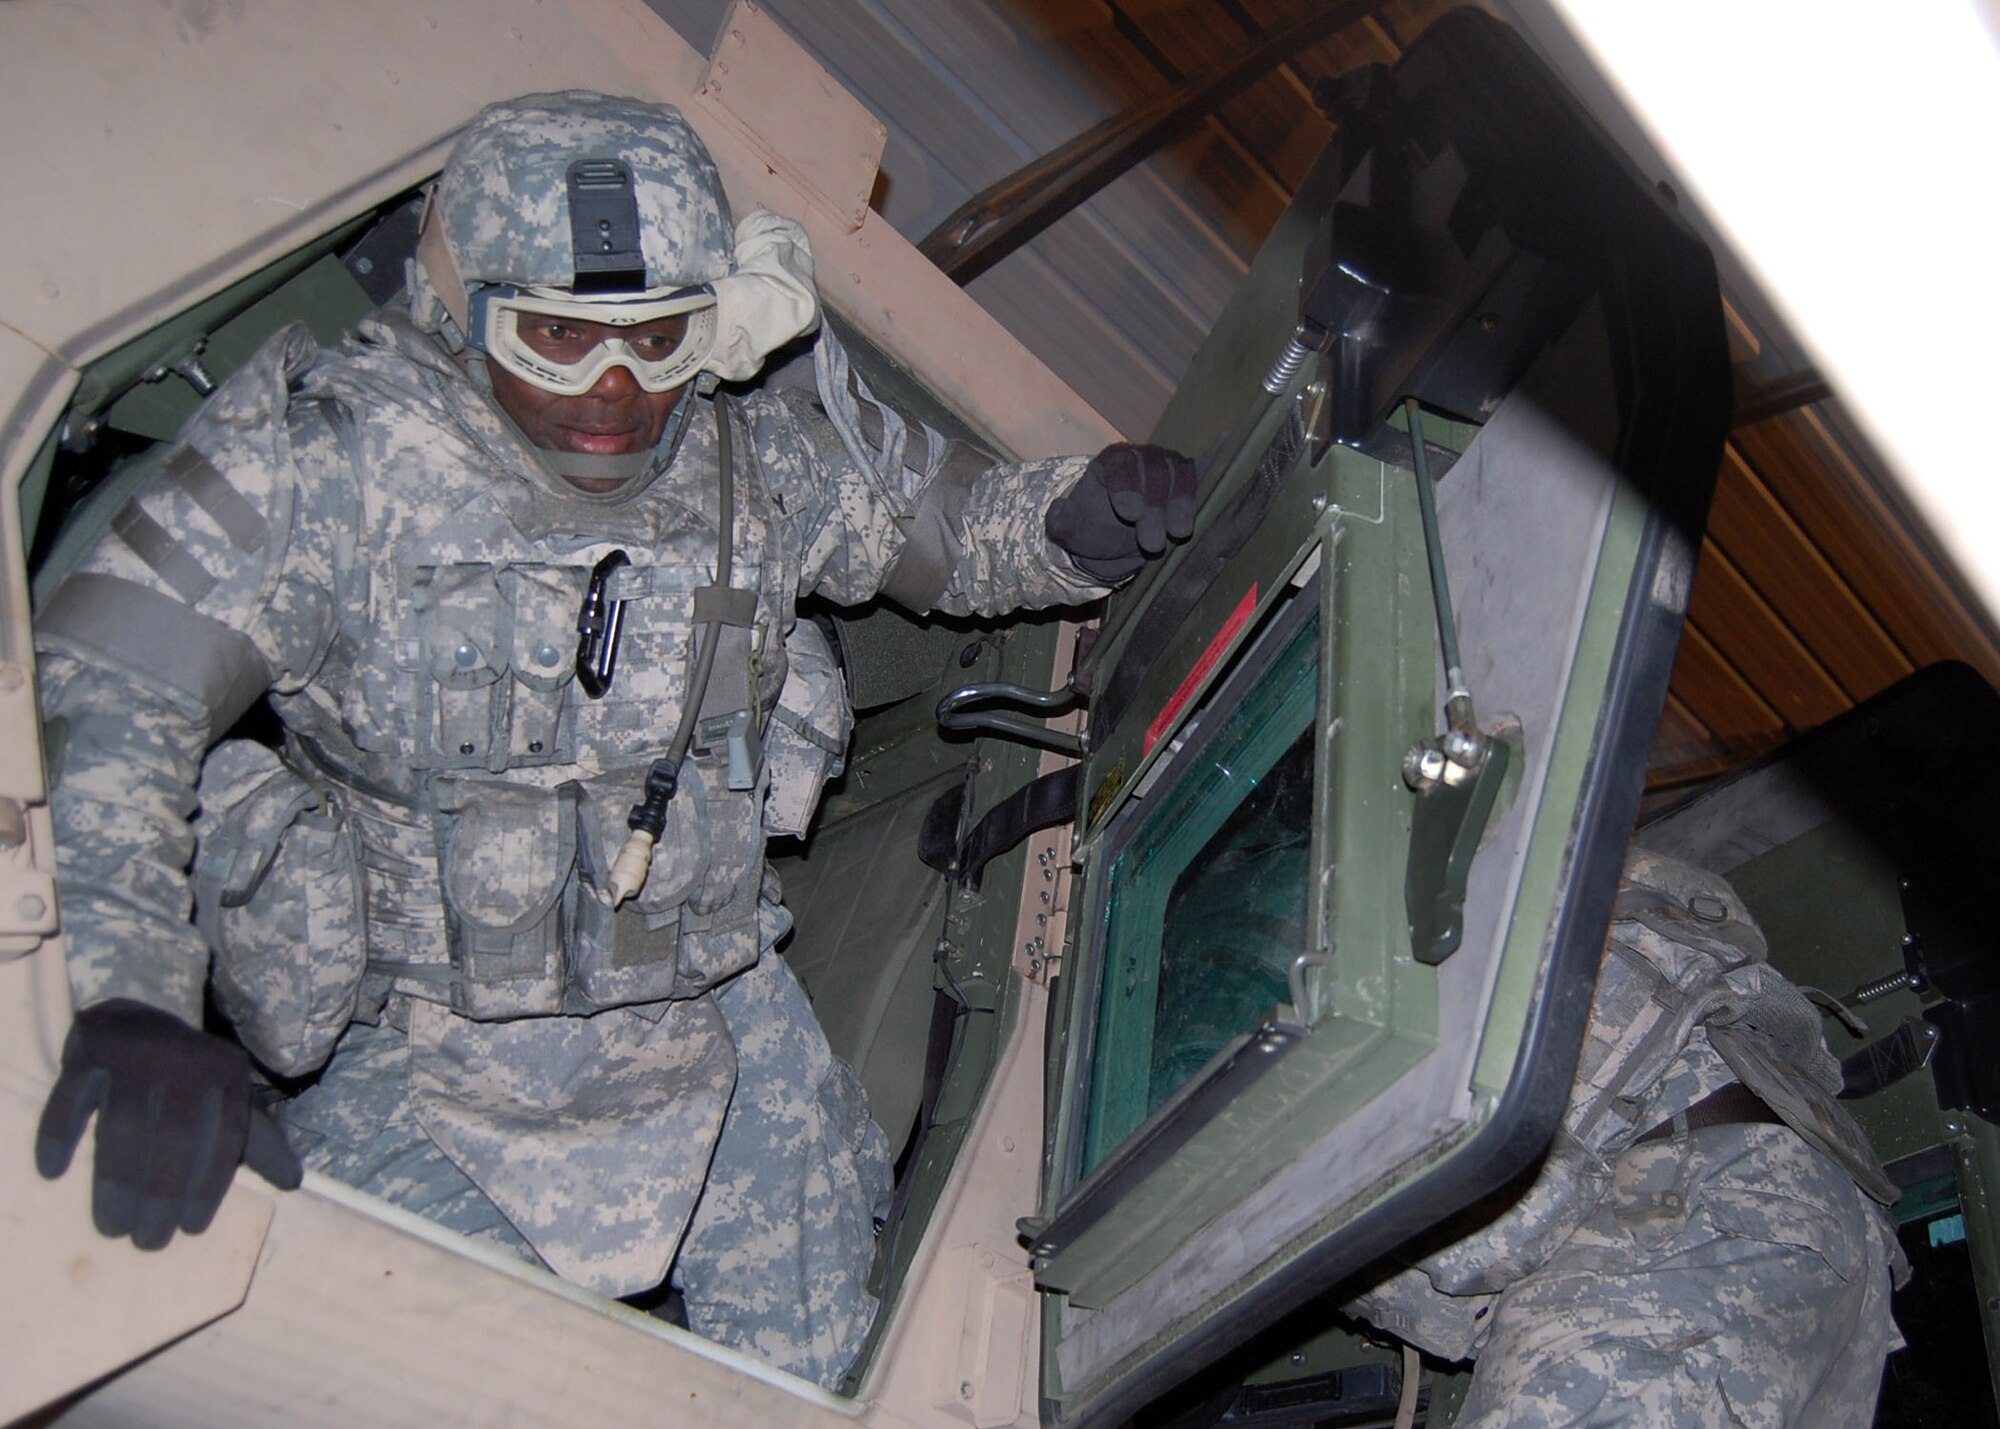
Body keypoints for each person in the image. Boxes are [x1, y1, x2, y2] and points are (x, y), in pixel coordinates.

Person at [29, 90, 1194, 1389]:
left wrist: (1069, 520)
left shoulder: (749, 464)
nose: (616, 394)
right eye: (557, 337)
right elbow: (106, 697)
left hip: (707, 1004)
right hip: (422, 1041)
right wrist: (130, 993)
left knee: (845, 1375)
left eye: (657, 338)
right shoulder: (330, 469)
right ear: (460, 309)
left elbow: (936, 526)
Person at [1343, 847, 1906, 1427]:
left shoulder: (1520, 935)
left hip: (1702, 1218)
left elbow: (1484, 1242)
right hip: (1778, 1231)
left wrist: (1320, 1247)